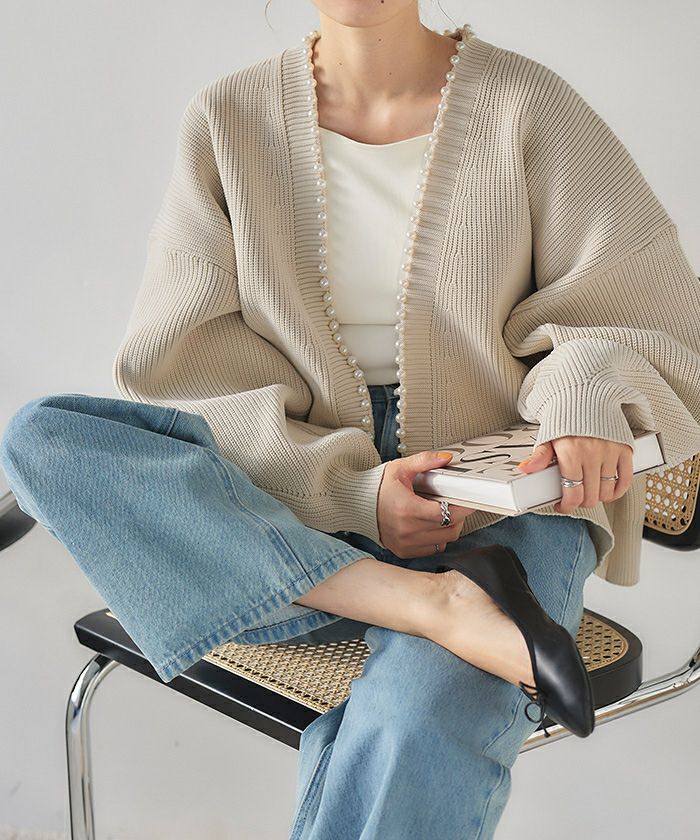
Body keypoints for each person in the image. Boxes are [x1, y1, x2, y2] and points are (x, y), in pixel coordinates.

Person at [2, 3, 699, 838]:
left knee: (413, 719)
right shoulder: (227, 121)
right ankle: (428, 603)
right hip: (289, 510)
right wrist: (356, 495)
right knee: (41, 438)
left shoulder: (530, 108)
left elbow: (651, 315)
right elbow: (181, 375)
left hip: (500, 513)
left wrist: (583, 394)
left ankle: (438, 604)